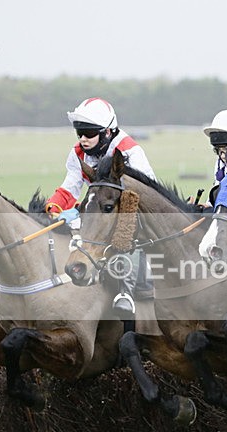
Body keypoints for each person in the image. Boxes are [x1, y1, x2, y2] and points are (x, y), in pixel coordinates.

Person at [45, 97, 156, 319]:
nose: (83, 140)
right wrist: (54, 206)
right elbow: (71, 185)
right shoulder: (78, 152)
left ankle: (127, 291)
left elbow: (145, 192)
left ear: (107, 132)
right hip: (100, 207)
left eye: (88, 133)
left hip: (133, 207)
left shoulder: (129, 151)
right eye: (79, 134)